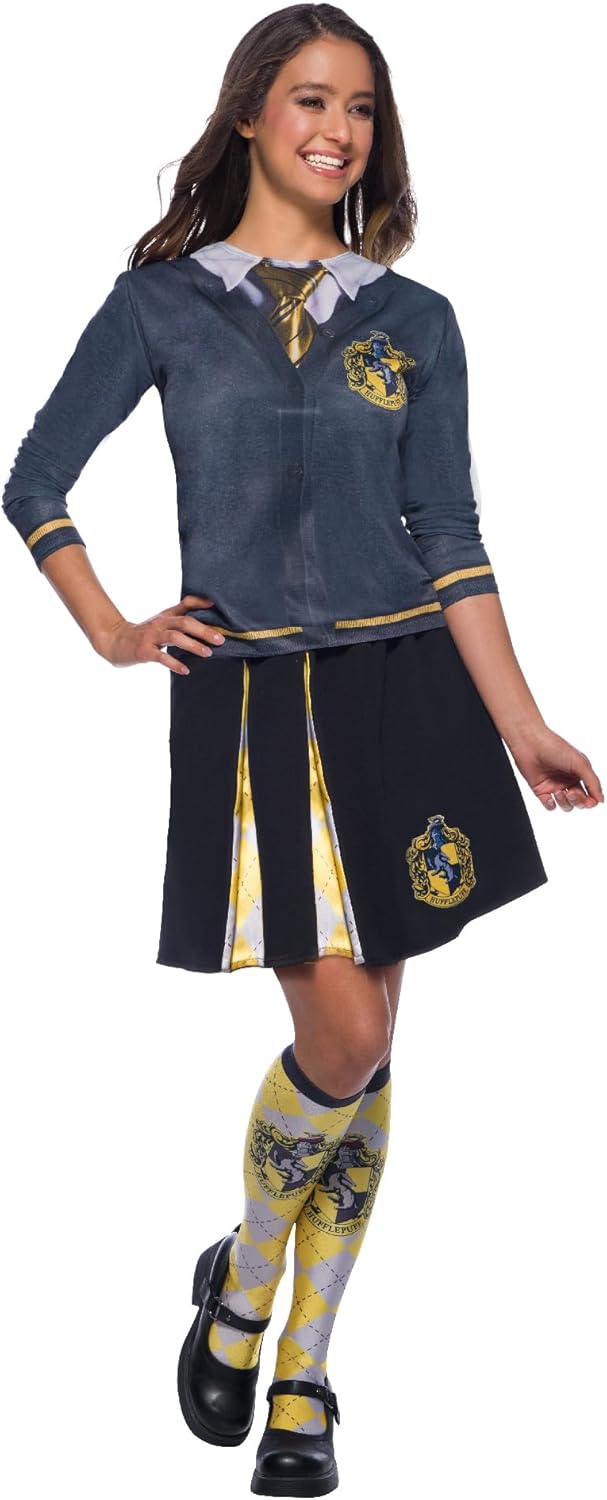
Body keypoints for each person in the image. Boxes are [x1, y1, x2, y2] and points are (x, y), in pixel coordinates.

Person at [2, 4, 603, 1495]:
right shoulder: (160, 305)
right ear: (251, 115)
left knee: (376, 1037)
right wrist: (114, 630)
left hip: (412, 694)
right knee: (342, 1039)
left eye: (362, 109)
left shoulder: (418, 319)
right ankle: (244, 1278)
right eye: (313, 100)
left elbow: (449, 535)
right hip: (254, 696)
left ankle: (304, 1372)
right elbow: (36, 477)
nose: (340, 131)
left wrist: (522, 720)